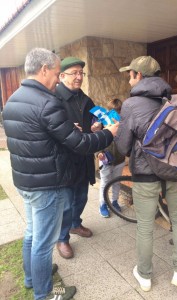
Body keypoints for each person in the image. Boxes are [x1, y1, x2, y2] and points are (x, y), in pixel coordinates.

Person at [2, 48, 118, 300]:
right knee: (43, 243)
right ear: (44, 70)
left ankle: (32, 278)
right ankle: (44, 295)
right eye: (57, 73)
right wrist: (110, 133)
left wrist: (70, 130)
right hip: (46, 184)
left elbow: (34, 139)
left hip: (26, 181)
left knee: (33, 233)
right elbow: (79, 144)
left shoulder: (13, 99)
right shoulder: (48, 102)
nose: (57, 79)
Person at [115, 56, 177, 292]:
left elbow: (123, 147)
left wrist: (116, 133)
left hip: (146, 175)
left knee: (145, 225)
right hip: (173, 171)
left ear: (138, 76)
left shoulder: (131, 105)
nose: (129, 78)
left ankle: (145, 276)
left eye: (130, 74)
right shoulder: (171, 100)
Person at [55, 56, 102, 259]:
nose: (79, 77)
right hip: (64, 161)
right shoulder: (54, 99)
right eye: (74, 73)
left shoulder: (85, 98)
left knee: (81, 197)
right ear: (62, 75)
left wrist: (98, 125)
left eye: (81, 73)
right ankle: (62, 238)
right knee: (65, 204)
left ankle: (75, 224)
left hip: (83, 157)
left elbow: (97, 117)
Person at [97, 98, 126, 217]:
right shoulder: (101, 123)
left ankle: (114, 202)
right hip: (106, 159)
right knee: (104, 182)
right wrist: (98, 152)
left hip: (119, 159)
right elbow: (97, 138)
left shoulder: (124, 123)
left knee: (116, 182)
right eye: (113, 111)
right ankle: (103, 204)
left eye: (118, 111)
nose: (116, 113)